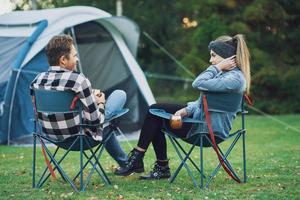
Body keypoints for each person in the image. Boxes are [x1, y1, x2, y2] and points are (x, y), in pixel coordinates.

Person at [115, 34, 251, 179]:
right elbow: (202, 102)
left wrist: (216, 68)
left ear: (226, 58)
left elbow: (198, 83)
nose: (211, 61)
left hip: (207, 131)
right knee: (155, 110)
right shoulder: (225, 77)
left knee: (155, 116)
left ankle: (149, 163)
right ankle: (149, 162)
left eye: (214, 56)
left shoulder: (233, 79)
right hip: (202, 122)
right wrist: (186, 110)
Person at [30, 34, 128, 169]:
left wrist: (87, 98)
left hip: (52, 138)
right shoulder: (78, 80)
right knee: (118, 96)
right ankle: (127, 163)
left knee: (105, 122)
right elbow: (95, 122)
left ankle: (126, 163)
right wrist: (100, 103)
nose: (77, 59)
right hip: (81, 138)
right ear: (63, 60)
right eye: (75, 56)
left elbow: (39, 114)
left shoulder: (37, 81)